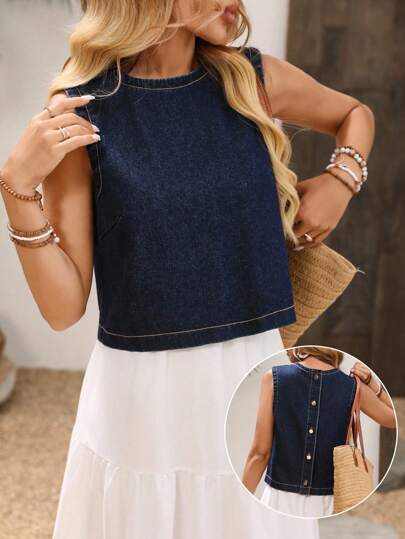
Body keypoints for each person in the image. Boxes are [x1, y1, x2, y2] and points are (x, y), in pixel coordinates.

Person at [0, 1, 375, 537]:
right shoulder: (84, 107)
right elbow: (63, 309)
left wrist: (342, 179)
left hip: (251, 368)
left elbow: (354, 114)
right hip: (144, 396)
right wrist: (17, 191)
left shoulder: (251, 79)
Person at [242, 347, 396, 518]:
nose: (287, 351)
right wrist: (373, 385)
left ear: (302, 348)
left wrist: (241, 504)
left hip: (278, 499)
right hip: (327, 505)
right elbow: (393, 418)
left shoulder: (274, 378)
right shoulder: (352, 386)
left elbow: (260, 454)